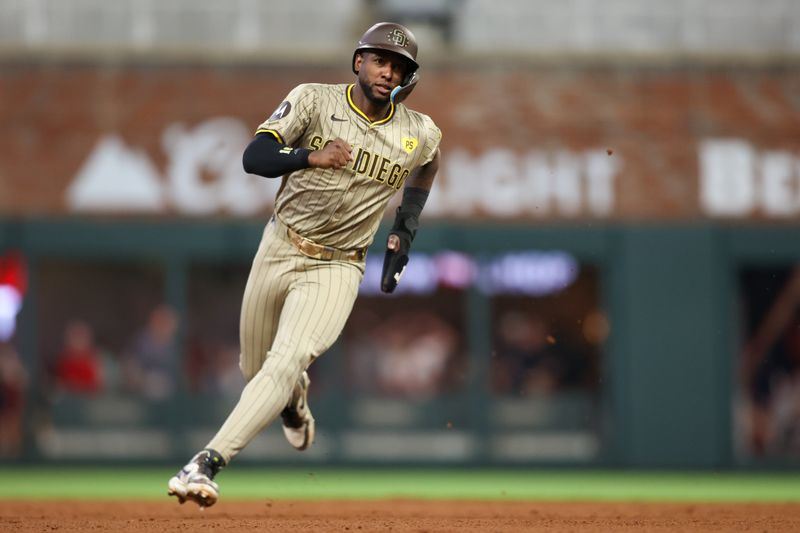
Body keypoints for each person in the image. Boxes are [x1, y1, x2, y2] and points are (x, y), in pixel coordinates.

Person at [168, 21, 442, 508]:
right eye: (380, 60)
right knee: (256, 370)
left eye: (398, 66)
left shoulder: (418, 131)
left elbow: (428, 163)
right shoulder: (314, 100)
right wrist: (311, 156)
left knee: (287, 357)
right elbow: (255, 157)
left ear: (407, 78)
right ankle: (294, 403)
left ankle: (206, 462)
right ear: (359, 62)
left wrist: (405, 228)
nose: (387, 71)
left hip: (338, 266)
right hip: (280, 245)